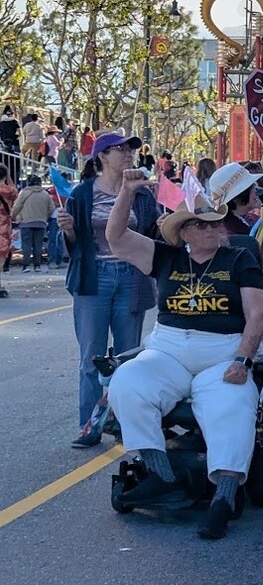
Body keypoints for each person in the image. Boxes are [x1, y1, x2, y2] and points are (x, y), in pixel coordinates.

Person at [104, 171, 263, 539]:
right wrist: (127, 193)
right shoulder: (166, 257)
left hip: (222, 352)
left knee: (232, 405)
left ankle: (222, 500)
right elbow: (116, 238)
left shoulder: (239, 258)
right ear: (184, 232)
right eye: (202, 224)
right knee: (126, 383)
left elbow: (259, 311)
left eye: (216, 223)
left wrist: (243, 360)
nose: (213, 230)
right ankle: (163, 478)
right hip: (169, 350)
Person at [61, 132, 159, 448]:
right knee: (92, 356)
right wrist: (68, 231)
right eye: (121, 149)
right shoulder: (82, 194)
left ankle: (123, 422)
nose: (129, 153)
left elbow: (155, 232)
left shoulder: (142, 194)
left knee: (128, 356)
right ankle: (89, 425)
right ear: (102, 156)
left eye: (131, 149)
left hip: (132, 277)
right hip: (94, 279)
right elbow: (73, 245)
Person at [13, 175, 53, 273]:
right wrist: (44, 217)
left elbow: (17, 206)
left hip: (26, 222)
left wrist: (14, 216)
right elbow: (51, 208)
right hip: (41, 222)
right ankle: (37, 265)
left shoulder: (23, 193)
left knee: (26, 245)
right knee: (38, 245)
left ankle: (26, 265)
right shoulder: (45, 194)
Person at [0, 164, 15, 298]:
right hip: (3, 226)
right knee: (1, 255)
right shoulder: (8, 190)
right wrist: (8, 176)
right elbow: (15, 193)